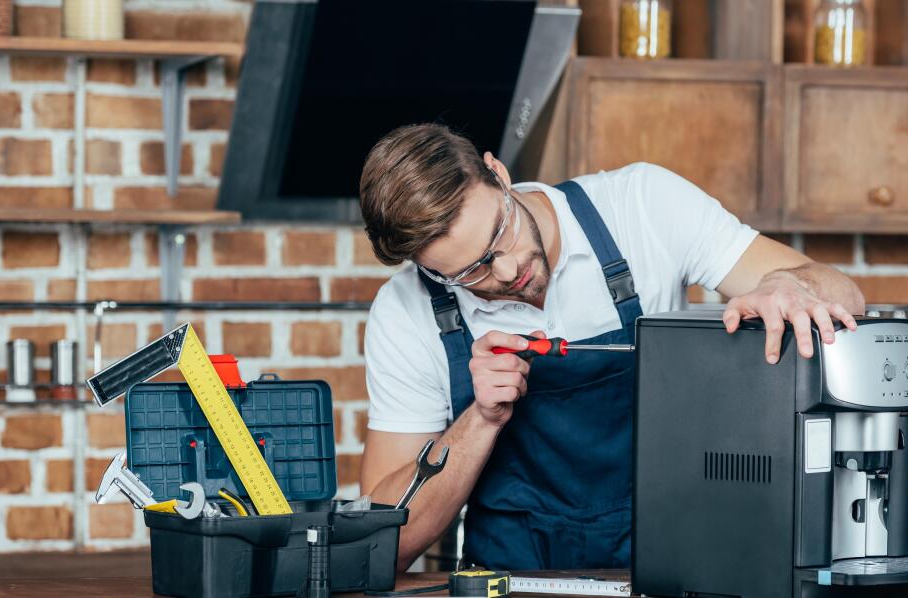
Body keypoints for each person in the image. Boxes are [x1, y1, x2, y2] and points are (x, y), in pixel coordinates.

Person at [357, 123, 865, 572]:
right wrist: (479, 421)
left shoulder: (641, 206)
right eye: (471, 271)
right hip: (512, 582)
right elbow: (384, 545)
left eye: (500, 232)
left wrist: (789, 286)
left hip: (671, 568)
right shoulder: (406, 312)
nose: (508, 272)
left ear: (499, 174)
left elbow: (844, 294)